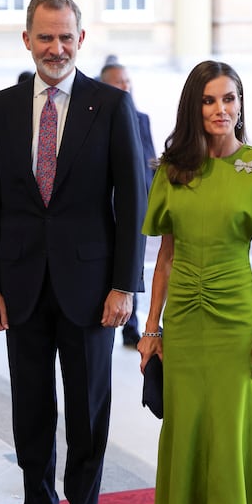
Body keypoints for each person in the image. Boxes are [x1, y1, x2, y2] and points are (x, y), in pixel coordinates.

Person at [0, 0, 147, 504]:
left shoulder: (111, 106)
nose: (56, 47)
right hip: (21, 289)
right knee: (31, 414)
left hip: (93, 291)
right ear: (26, 40)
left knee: (90, 416)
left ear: (81, 39)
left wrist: (125, 286)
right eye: (45, 37)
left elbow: (132, 202)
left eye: (65, 36)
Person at [137, 60, 252, 504]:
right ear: (193, 108)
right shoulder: (172, 171)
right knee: (184, 432)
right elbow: (165, 257)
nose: (219, 110)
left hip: (236, 323)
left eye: (228, 99)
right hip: (183, 321)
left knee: (233, 433)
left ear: (241, 104)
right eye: (208, 101)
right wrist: (150, 328)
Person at [100, 62, 157, 347]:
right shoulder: (96, 120)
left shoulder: (141, 118)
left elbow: (148, 158)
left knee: (134, 265)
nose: (125, 87)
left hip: (138, 206)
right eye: (118, 82)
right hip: (105, 206)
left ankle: (131, 324)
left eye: (127, 81)